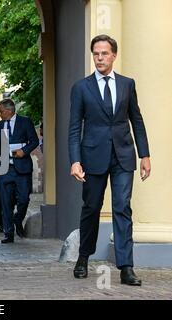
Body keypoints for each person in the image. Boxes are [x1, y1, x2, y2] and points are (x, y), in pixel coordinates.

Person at [68, 34, 151, 286]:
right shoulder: (81, 87)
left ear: (114, 55)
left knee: (122, 208)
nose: (100, 58)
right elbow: (74, 127)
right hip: (92, 156)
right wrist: (75, 160)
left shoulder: (127, 84)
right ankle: (83, 257)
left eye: (104, 53)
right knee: (91, 208)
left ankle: (126, 267)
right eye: (96, 54)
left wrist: (144, 154)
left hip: (123, 156)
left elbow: (136, 119)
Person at [0, 98, 39, 243]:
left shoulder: (25, 122)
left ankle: (17, 219)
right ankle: (8, 232)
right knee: (5, 202)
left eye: (0, 112)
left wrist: (24, 151)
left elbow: (34, 141)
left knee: (24, 199)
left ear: (8, 111)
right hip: (5, 170)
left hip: (22, 169)